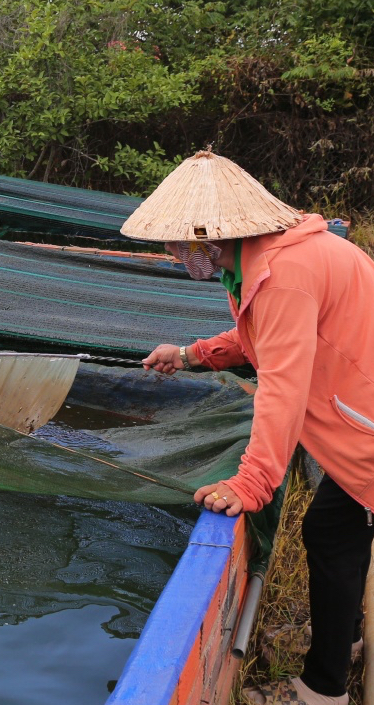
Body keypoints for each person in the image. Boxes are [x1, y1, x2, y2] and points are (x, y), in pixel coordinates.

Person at [126, 151, 374, 705]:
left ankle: (322, 689)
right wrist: (190, 355)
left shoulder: (285, 275)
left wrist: (251, 483)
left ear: (206, 240)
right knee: (340, 534)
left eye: (175, 245)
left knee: (332, 536)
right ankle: (345, 639)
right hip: (360, 415)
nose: (172, 256)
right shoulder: (265, 261)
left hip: (366, 431)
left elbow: (282, 389)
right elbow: (259, 336)